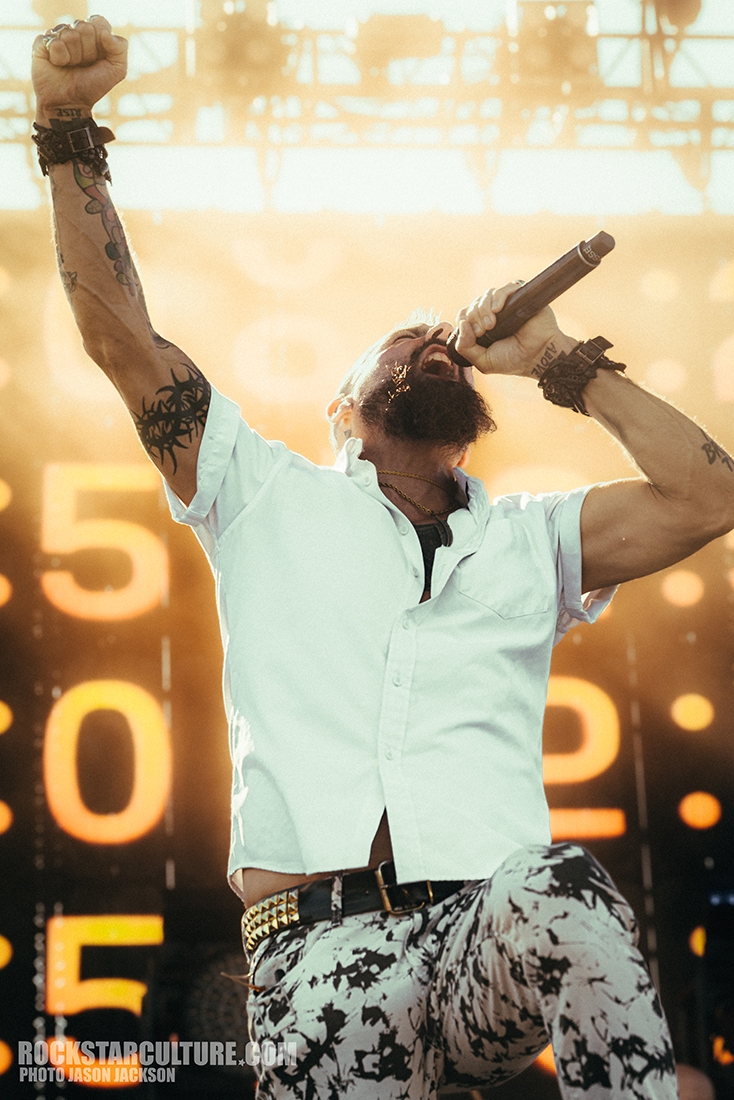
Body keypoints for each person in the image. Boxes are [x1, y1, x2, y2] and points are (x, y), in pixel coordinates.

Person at [31, 17, 734, 1100]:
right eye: (400, 339)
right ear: (340, 409)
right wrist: (67, 126)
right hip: (318, 954)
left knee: (560, 883)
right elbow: (121, 338)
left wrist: (557, 357)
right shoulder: (261, 491)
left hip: (480, 934)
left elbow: (708, 497)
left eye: (441, 341)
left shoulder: (532, 538)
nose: (431, 340)